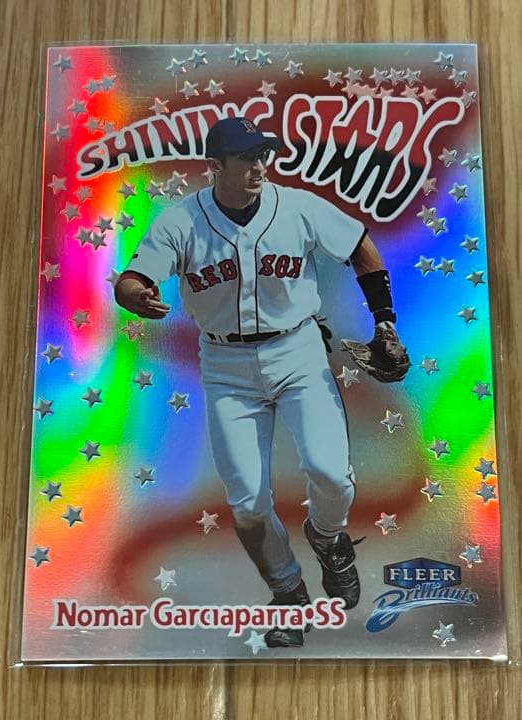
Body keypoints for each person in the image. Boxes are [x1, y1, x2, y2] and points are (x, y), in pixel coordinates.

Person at [114, 117, 408, 648]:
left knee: (331, 474)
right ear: (216, 166)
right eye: (246, 157)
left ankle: (328, 538)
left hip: (297, 349)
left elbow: (359, 243)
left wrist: (384, 322)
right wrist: (134, 293)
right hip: (226, 366)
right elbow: (134, 276)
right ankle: (289, 592)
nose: (258, 165)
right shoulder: (183, 221)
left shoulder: (296, 207)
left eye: (262, 155)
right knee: (248, 502)